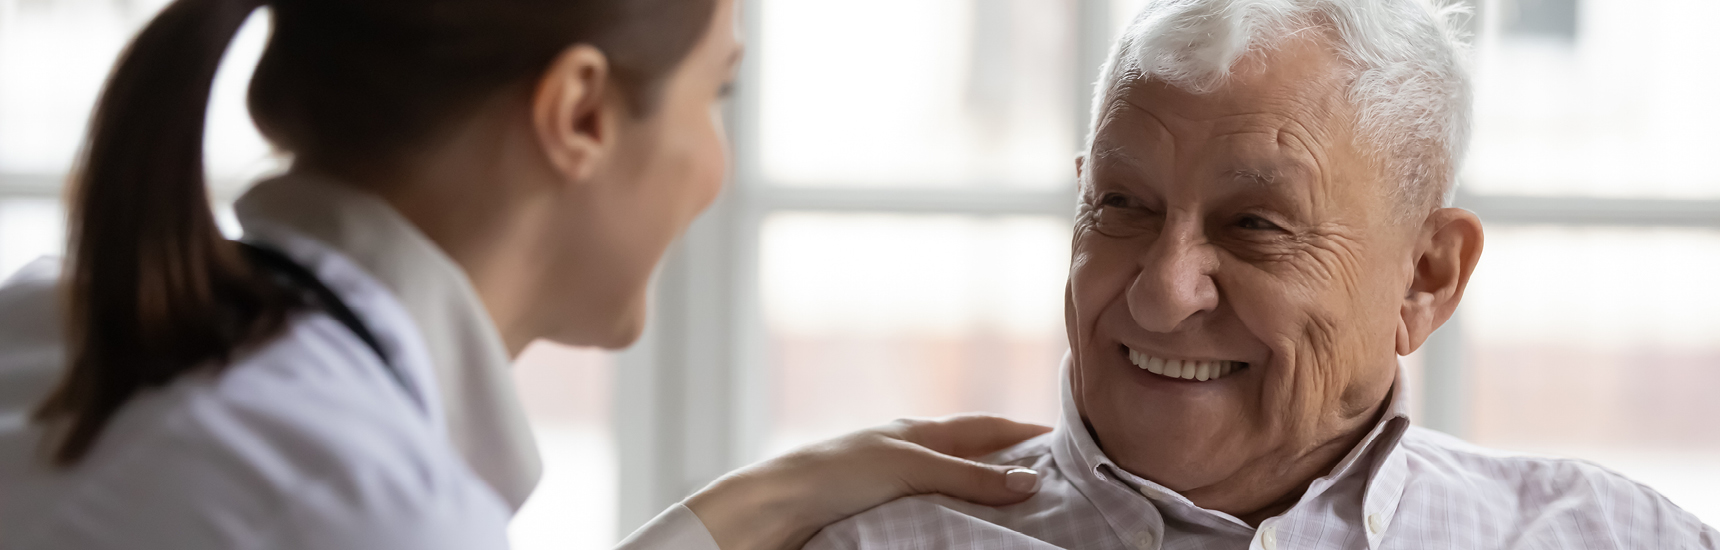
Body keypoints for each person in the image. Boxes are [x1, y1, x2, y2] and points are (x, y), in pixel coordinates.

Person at [0, 0, 1052, 548]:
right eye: (713, 97)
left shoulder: (52, 320)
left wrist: (779, 492)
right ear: (580, 114)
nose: (715, 168)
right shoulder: (357, 502)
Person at [803, 0, 1720, 548]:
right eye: (1123, 205)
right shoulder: (867, 541)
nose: (1163, 293)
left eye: (1256, 226)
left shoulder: (1615, 539)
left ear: (1425, 280)